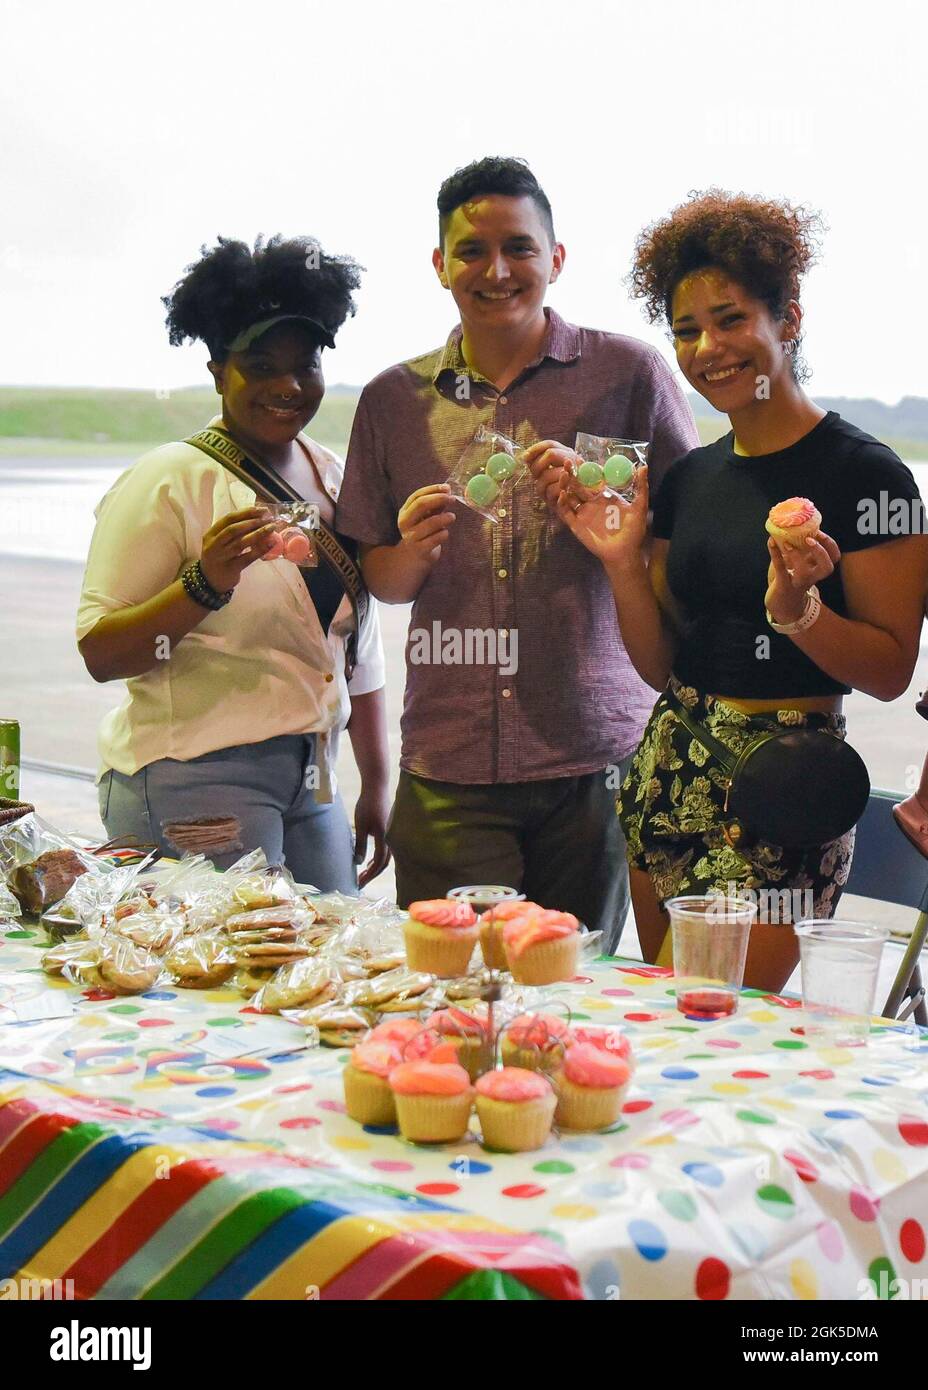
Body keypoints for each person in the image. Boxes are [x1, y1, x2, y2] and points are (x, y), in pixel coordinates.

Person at [555, 190, 928, 989]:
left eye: (730, 320)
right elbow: (660, 666)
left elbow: (892, 671)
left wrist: (801, 614)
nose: (707, 348)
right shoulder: (689, 478)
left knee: (710, 1029)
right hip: (669, 769)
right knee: (661, 1018)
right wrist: (621, 563)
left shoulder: (868, 475)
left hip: (783, 789)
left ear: (787, 319)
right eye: (686, 330)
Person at [335, 157, 697, 948]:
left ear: (556, 259)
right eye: (471, 251)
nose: (496, 270)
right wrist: (412, 550)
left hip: (594, 759)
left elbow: (689, 536)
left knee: (574, 997)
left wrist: (616, 536)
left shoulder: (628, 373)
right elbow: (382, 582)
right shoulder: (392, 401)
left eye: (520, 248)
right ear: (439, 266)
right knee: (446, 995)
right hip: (449, 763)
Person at [77, 236, 390, 891]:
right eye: (260, 364)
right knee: (222, 980)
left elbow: (357, 644)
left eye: (305, 365)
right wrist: (204, 582)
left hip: (317, 777)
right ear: (219, 371)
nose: (288, 386)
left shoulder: (331, 476)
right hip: (196, 777)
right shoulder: (170, 480)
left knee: (330, 969)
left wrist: (377, 781)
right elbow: (101, 653)